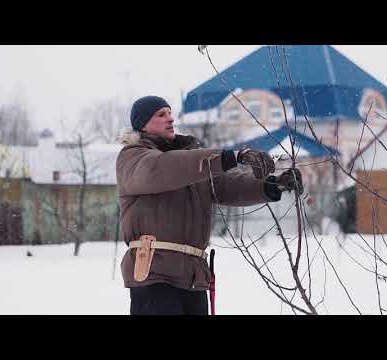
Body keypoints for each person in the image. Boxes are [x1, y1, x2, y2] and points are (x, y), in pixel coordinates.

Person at [116, 95, 303, 315]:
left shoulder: (189, 163)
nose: (171, 118)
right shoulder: (133, 159)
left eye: (169, 112)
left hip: (193, 278)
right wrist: (230, 157)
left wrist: (272, 186)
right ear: (142, 124)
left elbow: (227, 185)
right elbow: (166, 168)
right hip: (154, 276)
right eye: (161, 114)